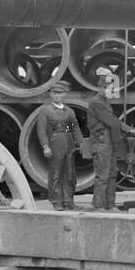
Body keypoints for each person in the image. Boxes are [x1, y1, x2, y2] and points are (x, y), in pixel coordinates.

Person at [35, 81, 81, 211]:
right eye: (54, 93)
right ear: (50, 94)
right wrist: (45, 146)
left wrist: (81, 143)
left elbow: (72, 129)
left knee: (70, 174)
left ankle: (68, 201)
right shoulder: (46, 111)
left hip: (69, 144)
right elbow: (42, 130)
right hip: (55, 144)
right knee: (56, 174)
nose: (57, 96)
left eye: (60, 93)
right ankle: (57, 202)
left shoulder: (69, 111)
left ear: (64, 95)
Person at [85, 68, 125, 212]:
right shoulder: (97, 103)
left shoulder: (105, 102)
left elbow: (113, 121)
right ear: (100, 88)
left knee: (112, 175)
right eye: (106, 88)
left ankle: (110, 204)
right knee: (102, 176)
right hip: (102, 144)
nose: (108, 91)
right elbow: (112, 122)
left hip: (109, 143)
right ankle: (98, 205)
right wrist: (130, 129)